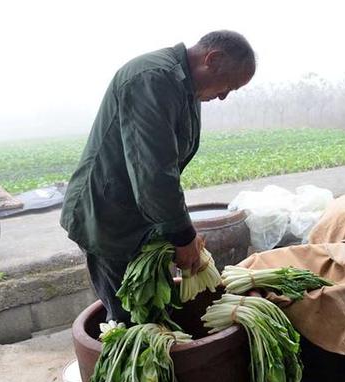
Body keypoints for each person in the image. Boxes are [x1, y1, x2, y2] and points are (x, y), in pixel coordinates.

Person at [61, 31, 256, 323]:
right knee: (134, 319)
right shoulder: (151, 79)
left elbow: (166, 165)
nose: (224, 96)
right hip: (109, 219)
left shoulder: (184, 87)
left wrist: (175, 228)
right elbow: (154, 172)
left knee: (156, 309)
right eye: (229, 85)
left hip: (139, 219)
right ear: (212, 60)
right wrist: (182, 235)